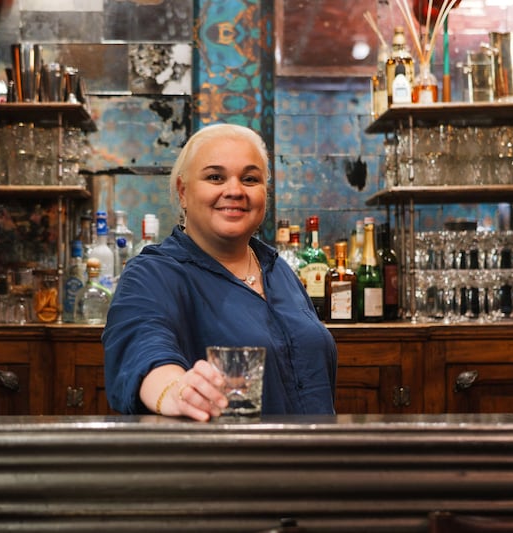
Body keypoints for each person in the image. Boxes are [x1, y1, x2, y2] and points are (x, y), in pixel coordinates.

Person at [102, 123, 337, 421]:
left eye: (250, 179)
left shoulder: (278, 269)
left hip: (317, 448)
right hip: (225, 451)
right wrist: (175, 391)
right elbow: (142, 346)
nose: (235, 191)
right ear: (183, 192)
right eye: (215, 177)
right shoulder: (153, 274)